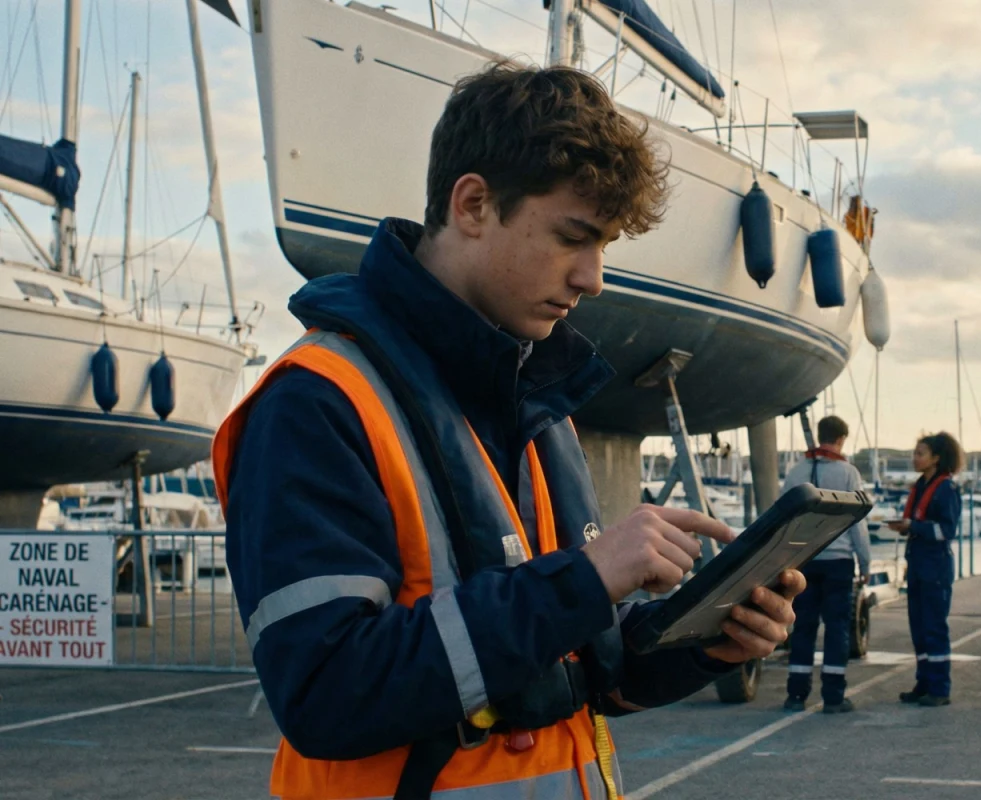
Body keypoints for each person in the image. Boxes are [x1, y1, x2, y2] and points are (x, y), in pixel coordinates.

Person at [215, 64, 802, 800]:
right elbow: (327, 693)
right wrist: (584, 579)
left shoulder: (539, 408)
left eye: (604, 246)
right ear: (472, 204)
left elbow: (580, 673)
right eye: (573, 237)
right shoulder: (317, 401)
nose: (593, 278)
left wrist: (704, 642)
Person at [779, 415, 873, 713]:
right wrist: (865, 560)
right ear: (842, 438)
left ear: (820, 435)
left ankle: (796, 694)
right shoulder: (848, 473)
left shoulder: (797, 472)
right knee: (837, 627)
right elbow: (856, 522)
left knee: (803, 626)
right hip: (839, 562)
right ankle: (833, 695)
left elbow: (784, 516)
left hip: (804, 562)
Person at [885, 432, 964, 707]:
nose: (914, 458)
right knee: (918, 626)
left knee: (934, 626)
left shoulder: (946, 489)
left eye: (920, 453)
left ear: (936, 458)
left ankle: (940, 688)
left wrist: (912, 527)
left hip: (935, 565)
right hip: (918, 562)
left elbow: (947, 530)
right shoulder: (920, 486)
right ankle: (924, 682)